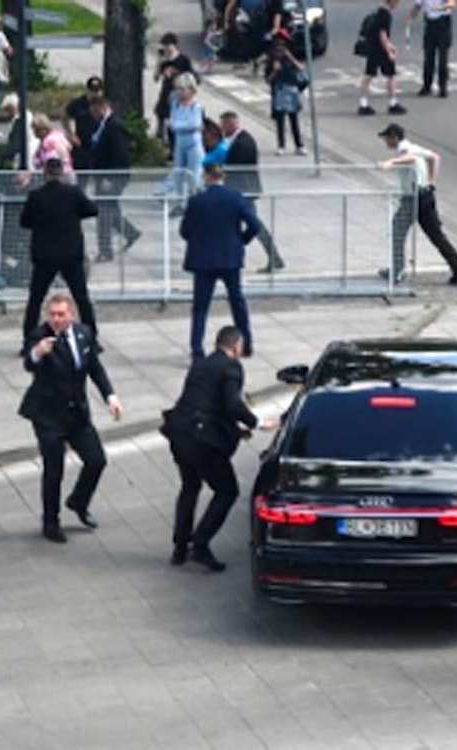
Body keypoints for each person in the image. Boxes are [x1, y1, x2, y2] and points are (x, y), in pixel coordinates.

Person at [162, 325, 276, 570]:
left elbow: (204, 401)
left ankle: (180, 547)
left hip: (179, 432)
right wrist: (256, 423)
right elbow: (232, 404)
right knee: (227, 491)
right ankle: (200, 544)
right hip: (202, 440)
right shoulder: (231, 367)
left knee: (190, 487)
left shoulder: (201, 363)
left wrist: (234, 430)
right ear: (236, 346)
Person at [18, 293, 123, 543]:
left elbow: (95, 368)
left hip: (76, 412)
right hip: (48, 414)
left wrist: (111, 396)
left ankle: (78, 500)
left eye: (61, 314)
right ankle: (50, 522)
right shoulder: (40, 336)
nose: (56, 319)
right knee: (54, 469)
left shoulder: (83, 334)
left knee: (96, 460)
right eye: (52, 314)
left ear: (71, 315)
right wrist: (37, 353)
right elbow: (28, 363)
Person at [179, 161, 261, 359]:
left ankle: (197, 349)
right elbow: (255, 225)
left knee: (200, 306)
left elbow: (185, 230)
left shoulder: (196, 200)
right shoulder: (235, 198)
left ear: (207, 177)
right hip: (229, 257)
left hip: (204, 260)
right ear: (223, 177)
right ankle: (246, 343)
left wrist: (198, 240)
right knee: (237, 302)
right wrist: (241, 240)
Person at [19, 158, 99, 347]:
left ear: (45, 174)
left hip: (45, 254)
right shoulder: (73, 193)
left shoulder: (36, 196)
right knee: (81, 297)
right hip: (70, 252)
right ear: (62, 173)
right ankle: (91, 339)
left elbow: (25, 222)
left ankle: (29, 340)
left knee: (36, 299)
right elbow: (92, 210)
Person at [376, 123, 457, 285]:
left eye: (387, 138)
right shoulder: (413, 146)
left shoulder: (404, 149)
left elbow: (410, 157)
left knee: (397, 231)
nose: (385, 142)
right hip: (426, 194)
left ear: (394, 137)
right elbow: (435, 157)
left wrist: (391, 162)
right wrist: (432, 181)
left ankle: (397, 271)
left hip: (413, 197)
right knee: (436, 234)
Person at [220, 110, 285, 273]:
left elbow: (235, 164)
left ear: (232, 124)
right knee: (246, 224)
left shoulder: (243, 142)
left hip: (244, 190)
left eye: (224, 125)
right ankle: (273, 257)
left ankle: (274, 257)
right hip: (240, 189)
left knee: (254, 224)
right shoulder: (237, 140)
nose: (222, 129)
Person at [89, 96, 141, 262]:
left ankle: (105, 250)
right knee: (110, 207)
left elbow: (119, 154)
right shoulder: (103, 125)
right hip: (101, 175)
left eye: (95, 111)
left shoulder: (114, 126)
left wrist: (109, 177)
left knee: (104, 211)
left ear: (102, 107)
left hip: (112, 176)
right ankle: (130, 232)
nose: (93, 115)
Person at [358, 0, 407, 116]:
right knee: (392, 75)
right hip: (380, 50)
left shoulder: (378, 11)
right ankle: (392, 103)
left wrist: (390, 46)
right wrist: (388, 50)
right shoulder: (385, 14)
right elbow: (382, 34)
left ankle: (363, 103)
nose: (398, 3)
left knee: (368, 75)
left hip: (372, 48)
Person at [265, 30, 306, 156]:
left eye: (283, 46)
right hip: (279, 91)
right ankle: (281, 145)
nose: (280, 49)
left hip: (292, 90)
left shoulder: (290, 58)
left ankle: (299, 145)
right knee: (280, 121)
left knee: (294, 120)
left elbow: (301, 69)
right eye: (278, 46)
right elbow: (268, 80)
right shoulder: (271, 60)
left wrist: (291, 58)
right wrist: (275, 71)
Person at [406, 0, 456, 98]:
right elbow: (417, 6)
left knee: (443, 59)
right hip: (430, 25)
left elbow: (452, 3)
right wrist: (411, 18)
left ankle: (443, 87)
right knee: (428, 57)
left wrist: (441, 7)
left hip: (443, 24)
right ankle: (427, 86)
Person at [169, 73, 205, 202]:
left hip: (193, 143)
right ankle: (179, 201)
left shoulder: (196, 106)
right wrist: (179, 125)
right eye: (178, 89)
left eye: (183, 89)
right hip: (180, 142)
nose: (180, 92)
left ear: (191, 89)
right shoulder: (176, 104)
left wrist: (178, 125)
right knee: (178, 173)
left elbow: (195, 124)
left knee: (194, 175)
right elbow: (172, 123)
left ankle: (194, 200)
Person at [153, 32, 195, 144]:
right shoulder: (164, 61)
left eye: (168, 47)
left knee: (174, 117)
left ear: (174, 46)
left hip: (179, 92)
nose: (166, 50)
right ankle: (161, 136)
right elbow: (156, 78)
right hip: (166, 91)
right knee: (161, 113)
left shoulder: (183, 59)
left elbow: (191, 76)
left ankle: (172, 140)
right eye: (164, 47)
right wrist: (159, 63)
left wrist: (176, 73)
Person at [62, 76, 104, 178]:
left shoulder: (103, 104)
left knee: (98, 176)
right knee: (82, 177)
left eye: (97, 91)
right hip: (82, 144)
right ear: (87, 90)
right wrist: (71, 135)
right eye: (92, 91)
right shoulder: (78, 104)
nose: (95, 94)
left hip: (99, 145)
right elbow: (65, 117)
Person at [0, 93, 37, 170]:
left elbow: (15, 139)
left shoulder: (20, 118)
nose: (7, 113)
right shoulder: (24, 115)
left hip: (27, 151)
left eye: (8, 110)